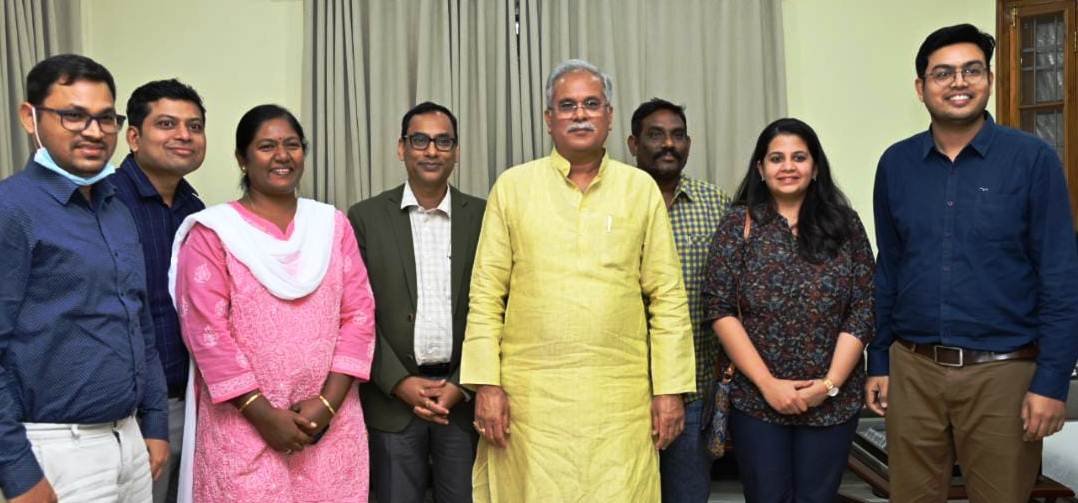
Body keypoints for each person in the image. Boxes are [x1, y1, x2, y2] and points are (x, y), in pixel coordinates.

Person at [460, 59, 696, 502]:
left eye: (591, 104)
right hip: (530, 405)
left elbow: (667, 296)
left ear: (609, 116)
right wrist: (486, 384)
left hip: (620, 403)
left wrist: (670, 390)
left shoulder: (639, 189)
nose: (580, 114)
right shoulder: (513, 187)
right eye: (567, 105)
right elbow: (487, 294)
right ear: (549, 119)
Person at [867, 24, 1078, 502]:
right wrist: (879, 359)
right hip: (912, 369)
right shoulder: (896, 164)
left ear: (989, 80)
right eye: (943, 73)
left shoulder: (1032, 160)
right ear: (921, 87)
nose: (958, 82)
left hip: (1003, 373)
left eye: (971, 70)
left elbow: (1061, 277)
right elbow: (890, 269)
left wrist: (1052, 382)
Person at [170, 104, 375, 501]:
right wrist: (263, 415)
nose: (282, 156)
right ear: (242, 158)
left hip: (329, 427)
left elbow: (359, 315)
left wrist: (327, 405)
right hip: (243, 428)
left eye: (292, 145)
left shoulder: (332, 225)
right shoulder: (214, 233)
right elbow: (207, 333)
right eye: (266, 146)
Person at [0, 54, 168, 503]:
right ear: (29, 117)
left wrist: (154, 422)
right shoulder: (11, 210)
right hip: (55, 448)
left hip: (128, 438)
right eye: (73, 116)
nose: (94, 132)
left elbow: (140, 323)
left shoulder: (115, 209)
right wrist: (18, 471)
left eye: (105, 118)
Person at [702, 118, 875, 503]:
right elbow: (720, 307)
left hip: (832, 400)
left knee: (818, 497)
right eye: (776, 158)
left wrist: (828, 385)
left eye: (799, 157)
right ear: (760, 169)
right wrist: (768, 385)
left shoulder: (845, 224)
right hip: (757, 399)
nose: (788, 167)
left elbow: (863, 307)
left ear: (815, 167)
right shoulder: (738, 224)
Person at [348, 101, 484, 503]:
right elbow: (354, 314)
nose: (432, 151)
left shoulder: (483, 216)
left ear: (456, 151)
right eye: (420, 140)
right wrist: (398, 382)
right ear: (401, 148)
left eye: (443, 141)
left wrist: (461, 384)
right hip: (392, 402)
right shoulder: (365, 217)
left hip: (462, 402)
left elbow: (497, 307)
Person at [627, 97, 731, 502]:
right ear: (633, 144)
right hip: (624, 391)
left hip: (693, 389)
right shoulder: (614, 200)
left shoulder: (715, 204)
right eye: (656, 135)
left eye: (678, 135)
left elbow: (732, 294)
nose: (668, 144)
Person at [110, 78, 207, 503]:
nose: (184, 135)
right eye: (167, 124)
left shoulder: (196, 210)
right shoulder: (104, 202)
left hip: (190, 398)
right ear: (133, 137)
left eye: (194, 126)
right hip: (126, 410)